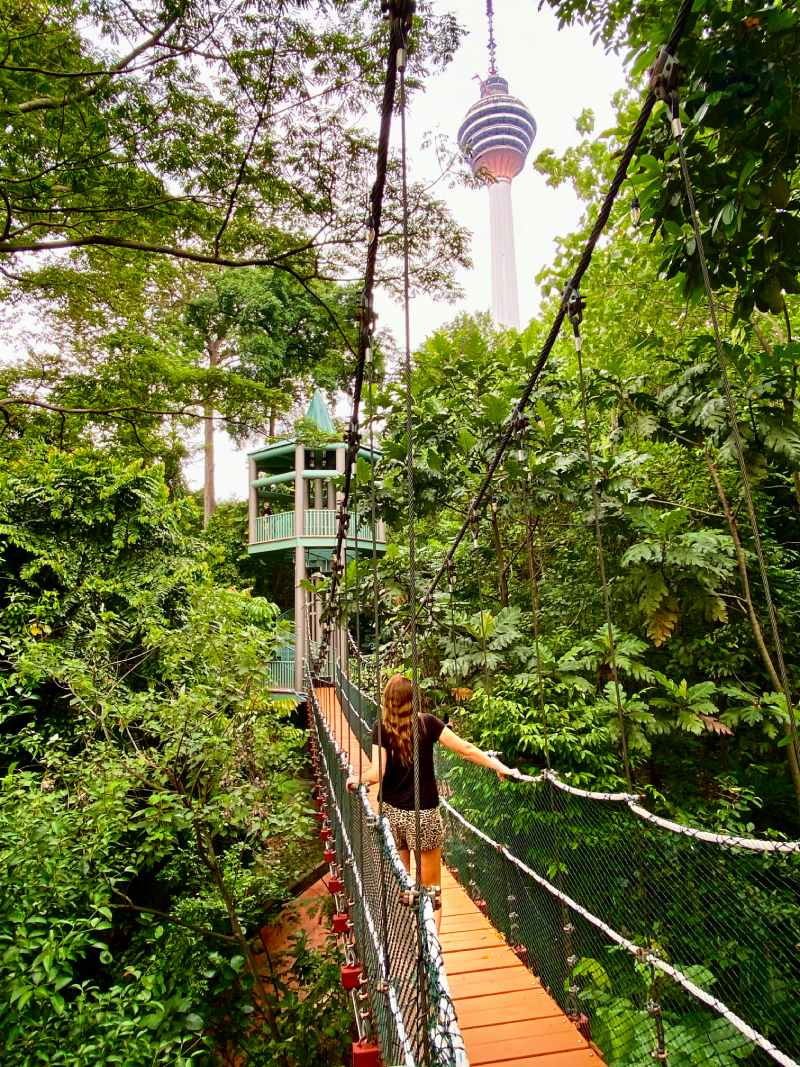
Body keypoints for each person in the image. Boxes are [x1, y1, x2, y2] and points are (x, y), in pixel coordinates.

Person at [346, 674, 516, 927]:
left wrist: (355, 779)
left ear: (387, 700)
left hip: (392, 814)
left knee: (404, 879)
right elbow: (465, 750)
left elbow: (376, 773)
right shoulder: (427, 724)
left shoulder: (380, 728)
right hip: (424, 815)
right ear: (412, 699)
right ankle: (430, 945)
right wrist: (497, 765)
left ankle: (413, 928)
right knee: (432, 888)